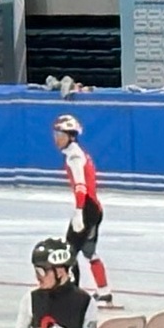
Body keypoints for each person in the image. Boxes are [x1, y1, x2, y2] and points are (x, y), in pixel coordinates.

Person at [52, 114, 114, 305]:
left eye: (60, 135)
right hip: (94, 208)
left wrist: (79, 212)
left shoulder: (75, 156)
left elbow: (81, 185)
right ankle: (104, 292)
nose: (56, 139)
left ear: (71, 136)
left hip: (87, 209)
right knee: (89, 252)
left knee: (69, 252)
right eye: (55, 134)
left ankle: (71, 296)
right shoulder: (78, 153)